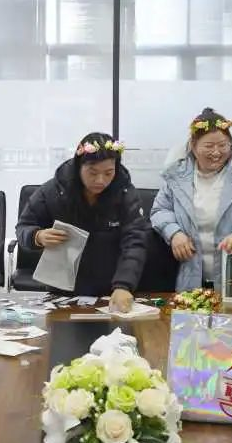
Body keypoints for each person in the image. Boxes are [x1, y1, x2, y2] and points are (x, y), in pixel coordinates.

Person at [151, 108, 232, 291]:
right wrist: (174, 233)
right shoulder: (177, 175)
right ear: (193, 146)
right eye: (209, 146)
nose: (216, 152)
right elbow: (160, 210)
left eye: (223, 145)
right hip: (190, 273)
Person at [15, 133, 147, 311]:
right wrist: (37, 236)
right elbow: (23, 227)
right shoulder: (53, 191)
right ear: (79, 166)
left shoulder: (125, 194)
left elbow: (135, 242)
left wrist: (124, 285)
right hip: (61, 290)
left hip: (111, 290)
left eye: (108, 173)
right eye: (93, 173)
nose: (100, 180)